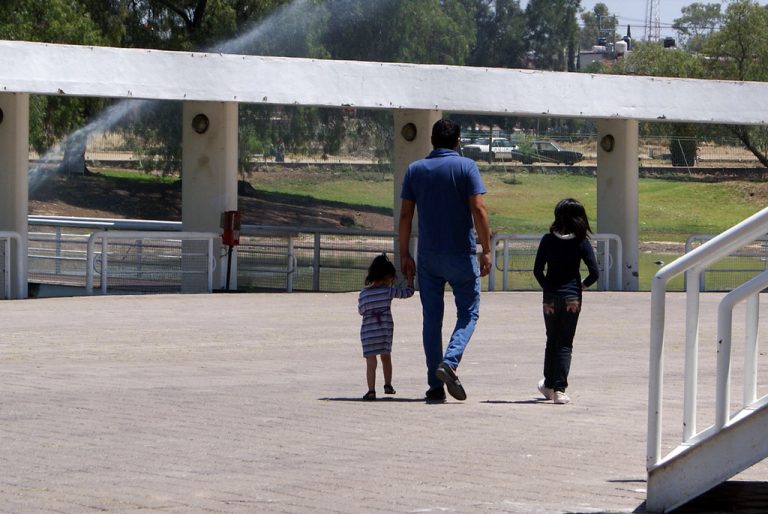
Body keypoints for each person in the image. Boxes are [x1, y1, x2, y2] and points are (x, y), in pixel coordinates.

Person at [399, 118, 492, 402]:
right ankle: (449, 363)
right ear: (458, 140)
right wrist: (486, 248)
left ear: (432, 140)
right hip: (461, 255)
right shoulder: (467, 167)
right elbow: (478, 209)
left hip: (428, 256)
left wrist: (403, 254)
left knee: (432, 319)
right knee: (468, 313)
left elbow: (405, 216)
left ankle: (434, 385)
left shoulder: (415, 170)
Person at [533, 198, 599, 405]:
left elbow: (537, 270)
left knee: (551, 340)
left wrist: (548, 287)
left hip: (550, 297)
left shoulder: (547, 240)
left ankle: (549, 385)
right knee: (565, 343)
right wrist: (581, 287)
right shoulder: (581, 242)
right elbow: (594, 273)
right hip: (572, 297)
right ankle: (560, 390)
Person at [358, 253, 415, 401]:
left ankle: (371, 391)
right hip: (384, 331)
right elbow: (408, 293)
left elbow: (361, 311)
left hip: (368, 333)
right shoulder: (388, 291)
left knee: (371, 363)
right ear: (386, 276)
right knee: (386, 357)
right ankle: (388, 385)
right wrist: (410, 279)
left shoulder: (363, 293)